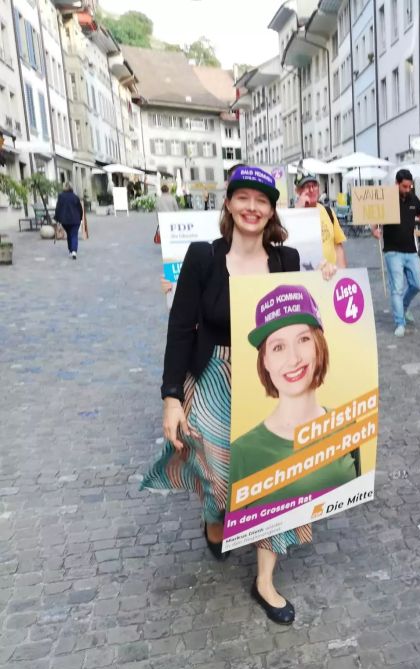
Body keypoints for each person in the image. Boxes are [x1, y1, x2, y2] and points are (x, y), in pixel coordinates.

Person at [142, 166, 337, 626]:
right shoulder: (203, 258)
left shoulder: (287, 259)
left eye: (262, 200)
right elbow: (179, 328)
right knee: (218, 470)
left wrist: (327, 279)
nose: (252, 207)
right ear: (228, 204)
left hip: (268, 378)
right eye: (243, 198)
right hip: (213, 376)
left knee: (277, 475)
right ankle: (215, 515)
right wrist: (171, 396)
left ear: (271, 210)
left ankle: (265, 579)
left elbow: (314, 315)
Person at [230, 284, 360, 505]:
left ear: (319, 346)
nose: (293, 359)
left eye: (303, 339)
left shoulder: (346, 425)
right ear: (265, 361)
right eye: (278, 347)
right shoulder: (241, 453)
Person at [371, 169, 420, 337]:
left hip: (410, 250)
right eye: (405, 186)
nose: (408, 189)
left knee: (417, 284)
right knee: (397, 288)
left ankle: (404, 306)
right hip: (392, 251)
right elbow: (375, 215)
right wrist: (374, 229)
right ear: (397, 184)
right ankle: (400, 322)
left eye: (410, 186)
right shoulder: (388, 198)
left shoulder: (414, 198)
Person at [295, 174, 347, 268]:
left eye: (314, 185)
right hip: (305, 275)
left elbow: (338, 246)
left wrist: (343, 274)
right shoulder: (292, 215)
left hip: (331, 274)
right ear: (298, 191)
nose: (312, 190)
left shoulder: (328, 211)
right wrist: (299, 210)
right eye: (307, 186)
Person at [54, 183, 83, 260]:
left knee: (69, 234)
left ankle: (70, 250)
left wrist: (57, 219)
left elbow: (58, 208)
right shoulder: (75, 197)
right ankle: (74, 251)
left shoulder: (61, 197)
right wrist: (80, 218)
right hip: (75, 219)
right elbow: (80, 209)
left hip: (65, 220)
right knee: (74, 235)